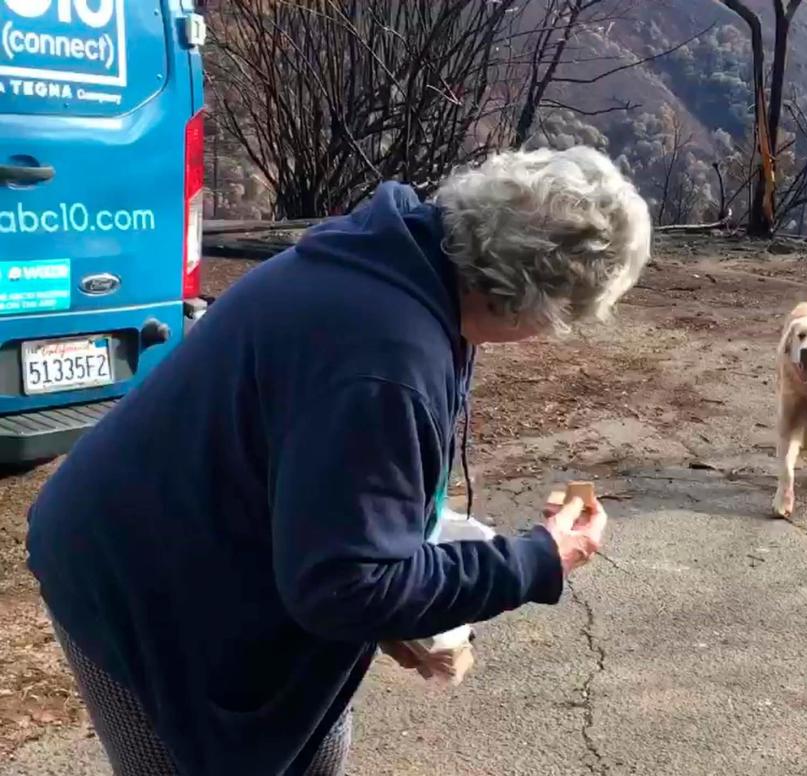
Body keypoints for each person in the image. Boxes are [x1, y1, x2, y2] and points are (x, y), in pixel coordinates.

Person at [26, 146, 652, 775]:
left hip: (224, 538)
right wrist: (537, 559)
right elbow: (348, 587)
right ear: (536, 301)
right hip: (133, 572)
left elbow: (353, 507)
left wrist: (415, 585)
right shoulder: (385, 358)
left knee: (316, 744)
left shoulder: (405, 259)